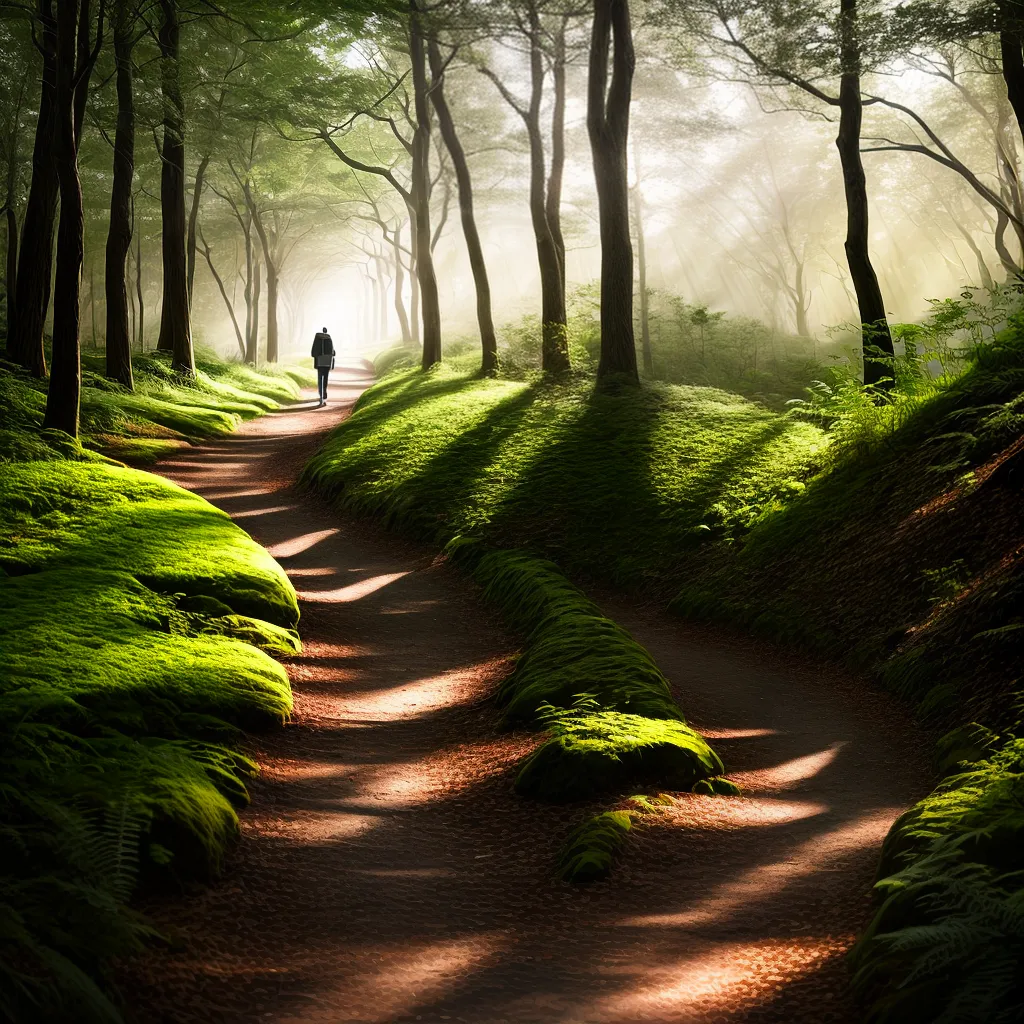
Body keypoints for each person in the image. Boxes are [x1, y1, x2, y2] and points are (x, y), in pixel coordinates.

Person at [311, 326, 335, 407]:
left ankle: (321, 396)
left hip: (319, 362)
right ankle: (324, 394)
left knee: (320, 379)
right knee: (325, 380)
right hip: (327, 363)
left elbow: (313, 352)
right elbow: (333, 352)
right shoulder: (329, 339)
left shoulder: (317, 339)